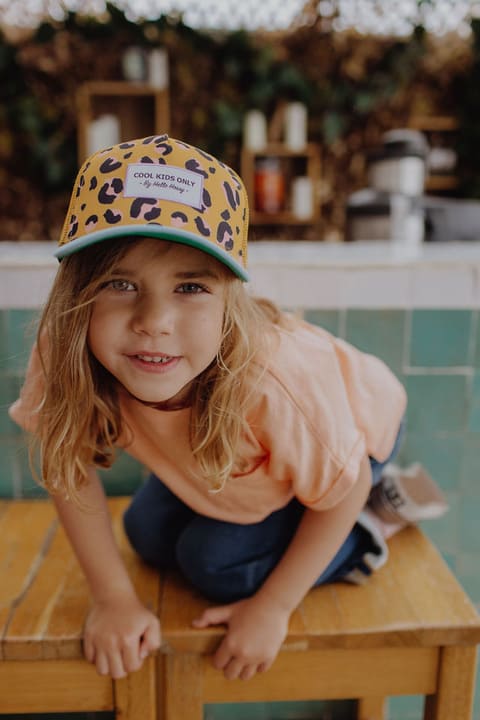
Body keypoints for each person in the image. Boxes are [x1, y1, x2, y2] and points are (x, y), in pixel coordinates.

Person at [10, 133, 413, 683]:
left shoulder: (275, 381)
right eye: (121, 282)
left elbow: (341, 491)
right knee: (146, 535)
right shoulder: (67, 344)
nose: (155, 321)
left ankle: (374, 529)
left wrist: (273, 608)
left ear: (229, 299)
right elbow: (66, 466)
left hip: (351, 439)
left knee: (214, 564)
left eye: (191, 287)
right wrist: (112, 598)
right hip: (251, 462)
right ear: (77, 291)